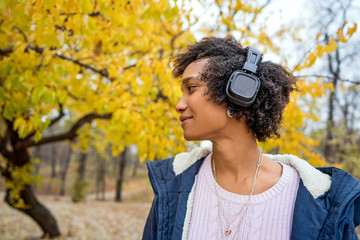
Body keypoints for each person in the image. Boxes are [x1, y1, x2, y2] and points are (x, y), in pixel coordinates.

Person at [142, 37, 360, 240]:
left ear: (238, 92)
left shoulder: (321, 202)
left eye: (191, 88)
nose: (179, 105)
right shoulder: (171, 187)